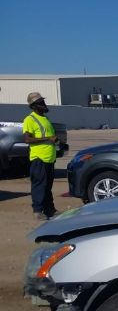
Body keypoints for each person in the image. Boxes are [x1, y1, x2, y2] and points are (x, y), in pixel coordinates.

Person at [22, 92, 59, 220]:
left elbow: (50, 138)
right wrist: (48, 138)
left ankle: (50, 210)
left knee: (47, 186)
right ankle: (38, 211)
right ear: (34, 106)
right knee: (39, 185)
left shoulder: (46, 119)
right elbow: (27, 139)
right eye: (41, 103)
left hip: (49, 158)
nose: (44, 104)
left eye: (43, 102)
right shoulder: (29, 119)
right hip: (39, 158)